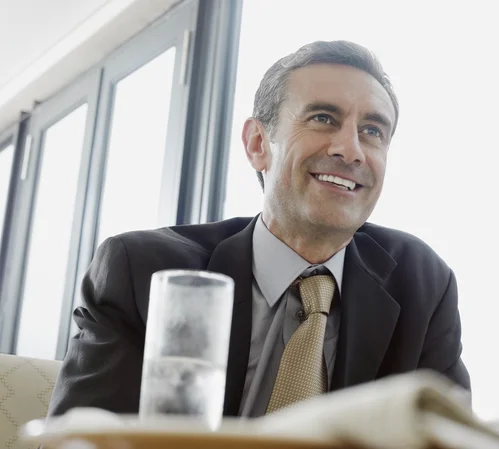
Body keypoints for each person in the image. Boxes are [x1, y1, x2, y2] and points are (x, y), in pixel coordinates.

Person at [48, 40, 470, 418]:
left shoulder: (422, 284)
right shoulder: (141, 271)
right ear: (257, 145)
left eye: (372, 131)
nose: (351, 149)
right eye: (323, 118)